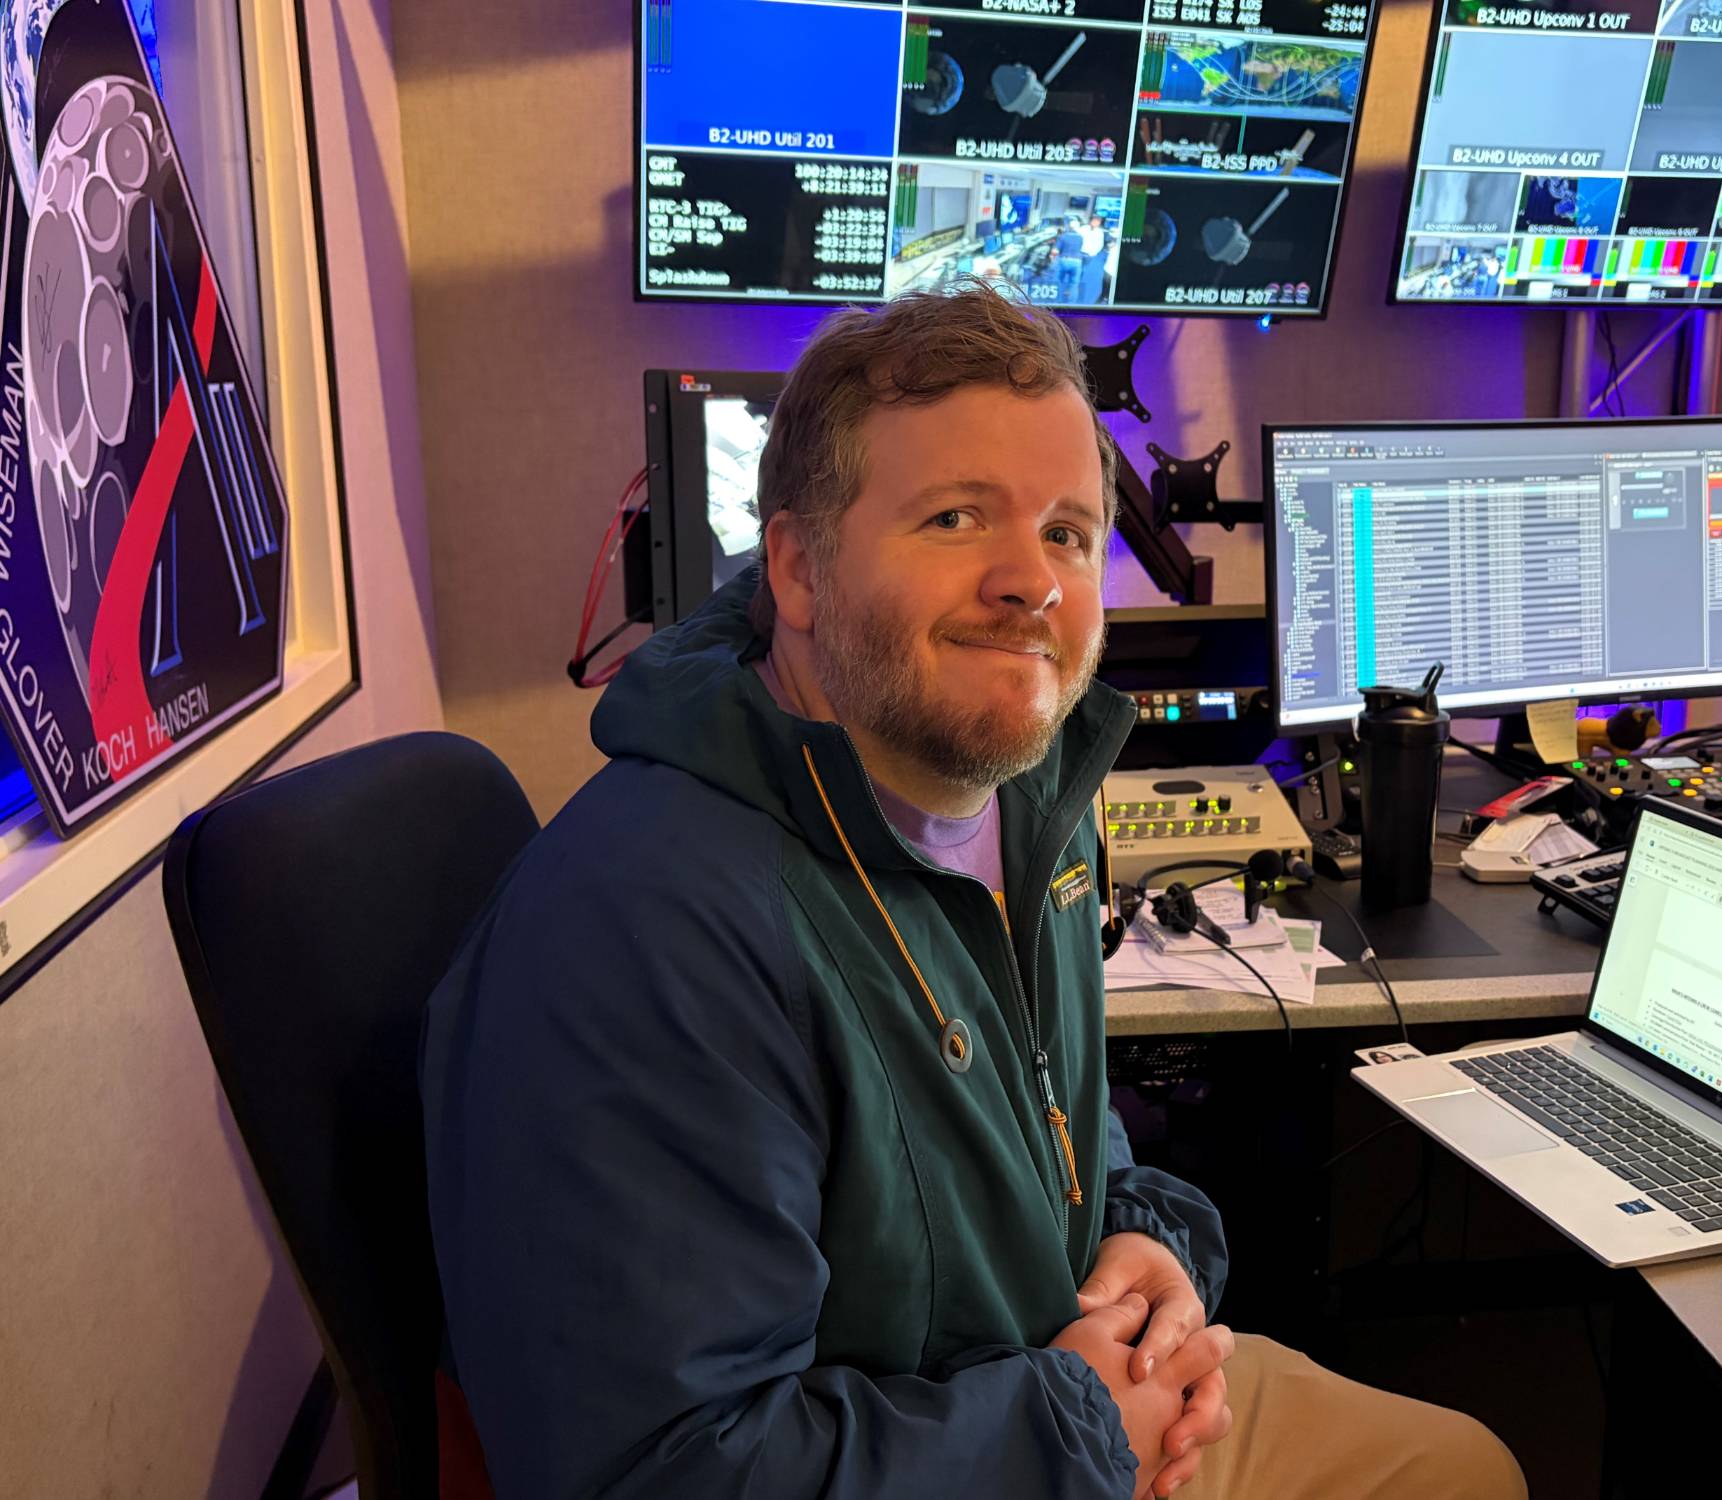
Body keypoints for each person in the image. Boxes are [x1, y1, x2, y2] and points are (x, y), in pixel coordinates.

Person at [423, 282, 1528, 1500]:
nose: (1031, 581)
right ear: (795, 569)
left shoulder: (1020, 801)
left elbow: (1057, 1129)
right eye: (955, 518)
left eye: (1066, 531)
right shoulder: (641, 926)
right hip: (1005, 1453)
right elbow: (661, 1474)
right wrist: (1075, 1430)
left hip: (1060, 1400)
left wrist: (1141, 1247)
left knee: (1464, 1468)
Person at [1079, 213, 1109, 305]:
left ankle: (1078, 283)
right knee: (1078, 269)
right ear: (1091, 220)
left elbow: (1099, 245)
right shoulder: (1082, 229)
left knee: (1083, 269)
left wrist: (1093, 253)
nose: (1096, 222)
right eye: (1094, 220)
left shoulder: (1099, 232)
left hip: (1089, 255)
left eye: (1098, 221)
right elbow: (1077, 239)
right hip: (1079, 253)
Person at [1056, 215, 1086, 304]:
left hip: (1064, 260)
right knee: (1074, 284)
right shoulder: (1080, 237)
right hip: (1077, 262)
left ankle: (1057, 302)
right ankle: (1072, 304)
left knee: (1059, 281)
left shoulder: (1063, 236)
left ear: (1068, 226)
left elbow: (1055, 251)